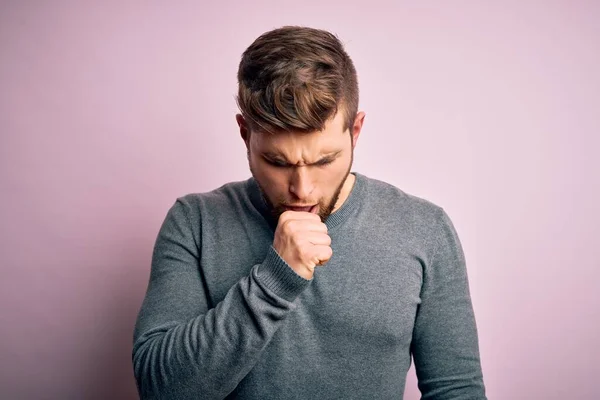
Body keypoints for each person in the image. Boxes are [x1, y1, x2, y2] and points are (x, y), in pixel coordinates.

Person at [132, 26, 487, 400]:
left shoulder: (424, 229)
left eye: (324, 160)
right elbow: (161, 391)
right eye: (277, 162)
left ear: (356, 130)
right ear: (244, 133)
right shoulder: (195, 222)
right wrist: (275, 280)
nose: (302, 189)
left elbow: (457, 391)